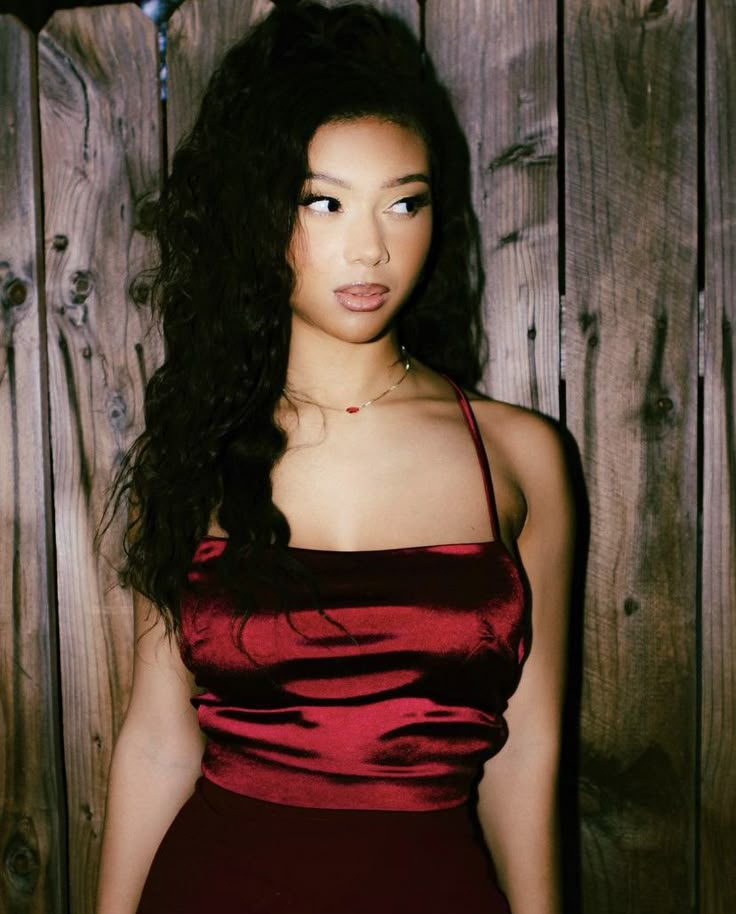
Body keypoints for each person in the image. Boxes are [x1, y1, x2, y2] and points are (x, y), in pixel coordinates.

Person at [95, 2, 574, 912]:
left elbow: (529, 748)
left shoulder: (519, 456)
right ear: (256, 214)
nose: (370, 247)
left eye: (404, 201)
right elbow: (157, 740)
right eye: (324, 201)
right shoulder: (197, 449)